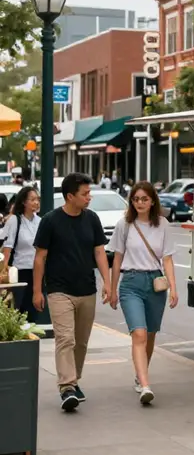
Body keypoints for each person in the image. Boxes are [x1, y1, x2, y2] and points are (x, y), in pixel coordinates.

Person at [32, 172, 111, 412]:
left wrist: (108, 283)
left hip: (87, 289)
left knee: (81, 343)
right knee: (65, 339)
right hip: (59, 290)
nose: (89, 198)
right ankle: (66, 387)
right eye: (85, 194)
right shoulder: (50, 221)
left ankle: (73, 380)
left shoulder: (92, 219)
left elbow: (99, 253)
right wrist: (38, 291)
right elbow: (40, 257)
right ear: (70, 196)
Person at [109, 181, 178, 405]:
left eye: (144, 199)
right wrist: (112, 289)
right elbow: (117, 258)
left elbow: (167, 259)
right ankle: (145, 385)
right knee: (138, 333)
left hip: (155, 284)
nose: (140, 203)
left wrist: (174, 288)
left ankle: (140, 375)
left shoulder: (163, 225)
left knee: (149, 335)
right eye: (136, 199)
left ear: (152, 201)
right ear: (131, 201)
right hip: (130, 283)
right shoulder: (124, 225)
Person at [1, 186, 41, 319]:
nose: (36, 202)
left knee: (33, 311)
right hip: (19, 273)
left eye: (37, 199)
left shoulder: (39, 221)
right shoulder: (14, 220)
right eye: (32, 199)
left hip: (37, 271)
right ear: (24, 202)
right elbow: (8, 246)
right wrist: (4, 269)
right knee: (18, 310)